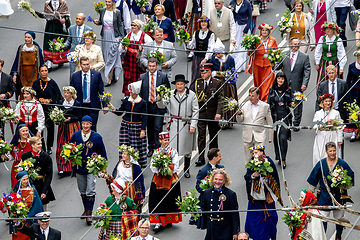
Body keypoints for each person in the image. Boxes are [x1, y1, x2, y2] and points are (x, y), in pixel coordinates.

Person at [307, 141, 354, 240]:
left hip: (338, 196)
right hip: (324, 195)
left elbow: (350, 175)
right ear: (326, 152)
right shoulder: (321, 163)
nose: (332, 153)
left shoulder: (342, 163)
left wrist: (344, 186)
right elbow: (313, 179)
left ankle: (338, 236)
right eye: (330, 151)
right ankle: (322, 236)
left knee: (339, 218)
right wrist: (309, 195)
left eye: (334, 151)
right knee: (323, 218)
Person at [157, 74, 199, 178]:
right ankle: (171, 170)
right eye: (177, 84)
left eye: (181, 84)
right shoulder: (170, 94)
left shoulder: (192, 95)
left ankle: (186, 169)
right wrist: (160, 99)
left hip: (186, 123)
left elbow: (196, 110)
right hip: (174, 123)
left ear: (185, 84)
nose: (179, 86)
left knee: (187, 148)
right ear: (175, 85)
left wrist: (193, 124)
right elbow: (162, 105)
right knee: (171, 148)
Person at [70, 115, 107, 225]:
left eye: (88, 124)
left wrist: (103, 167)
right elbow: (69, 148)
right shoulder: (76, 135)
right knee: (82, 190)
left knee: (90, 189)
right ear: (81, 124)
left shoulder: (97, 137)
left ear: (91, 125)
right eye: (84, 123)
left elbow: (103, 152)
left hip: (92, 167)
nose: (85, 126)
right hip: (79, 167)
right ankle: (86, 210)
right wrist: (71, 157)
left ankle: (89, 214)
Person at [244, 145, 283, 240]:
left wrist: (271, 193)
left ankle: (272, 236)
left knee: (270, 219)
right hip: (255, 199)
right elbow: (247, 176)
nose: (254, 155)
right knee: (254, 221)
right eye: (253, 153)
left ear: (262, 152)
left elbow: (275, 179)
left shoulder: (268, 162)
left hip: (267, 198)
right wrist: (253, 175)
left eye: (256, 152)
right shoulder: (251, 163)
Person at [107, 81, 148, 166]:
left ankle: (135, 166)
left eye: (131, 90)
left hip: (137, 127)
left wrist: (143, 130)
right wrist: (113, 108)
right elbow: (120, 112)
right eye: (129, 89)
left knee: (135, 148)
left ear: (136, 91)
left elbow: (144, 117)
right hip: (125, 126)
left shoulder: (142, 102)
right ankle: (124, 164)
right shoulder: (126, 100)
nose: (129, 91)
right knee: (124, 146)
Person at [149, 132, 182, 233]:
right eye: (164, 140)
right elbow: (152, 166)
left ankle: (168, 219)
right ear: (160, 141)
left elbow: (176, 165)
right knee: (158, 199)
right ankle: (159, 222)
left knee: (170, 199)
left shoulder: (173, 151)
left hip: (170, 178)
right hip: (159, 178)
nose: (166, 142)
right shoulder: (157, 152)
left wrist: (167, 168)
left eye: (167, 140)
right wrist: (159, 169)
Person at [275, 37, 311, 130]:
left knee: (297, 103)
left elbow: (307, 71)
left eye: (298, 43)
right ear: (290, 45)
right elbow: (277, 67)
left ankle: (296, 123)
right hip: (285, 84)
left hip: (297, 83)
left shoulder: (304, 56)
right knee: (284, 102)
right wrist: (273, 62)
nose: (297, 45)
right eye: (295, 43)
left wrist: (304, 83)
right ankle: (286, 120)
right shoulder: (284, 54)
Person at [193, 63, 223, 166]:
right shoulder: (197, 83)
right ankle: (201, 158)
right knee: (201, 136)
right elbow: (193, 97)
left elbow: (220, 99)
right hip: (201, 114)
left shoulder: (216, 83)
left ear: (209, 72)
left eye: (205, 72)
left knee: (213, 136)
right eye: (201, 72)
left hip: (212, 114)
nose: (202, 74)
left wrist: (218, 113)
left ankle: (212, 157)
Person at [139, 58, 170, 157]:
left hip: (158, 106)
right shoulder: (142, 77)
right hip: (147, 106)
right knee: (150, 128)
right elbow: (139, 92)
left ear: (157, 66)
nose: (151, 68)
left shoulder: (163, 76)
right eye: (150, 66)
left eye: (153, 66)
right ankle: (151, 147)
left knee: (158, 127)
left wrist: (162, 97)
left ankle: (158, 148)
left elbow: (168, 90)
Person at [29, 0, 71, 70]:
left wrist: (64, 18)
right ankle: (49, 62)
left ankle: (60, 59)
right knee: (49, 43)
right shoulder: (47, 3)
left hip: (59, 27)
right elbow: (45, 15)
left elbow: (66, 14)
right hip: (50, 27)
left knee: (60, 42)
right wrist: (34, 12)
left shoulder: (63, 3)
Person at [237, 87, 273, 164]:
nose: (250, 98)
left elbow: (270, 122)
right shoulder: (245, 105)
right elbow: (239, 120)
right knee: (248, 158)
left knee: (259, 158)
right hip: (247, 136)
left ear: (258, 96)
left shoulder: (265, 106)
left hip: (259, 136)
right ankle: (249, 174)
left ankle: (260, 173)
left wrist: (270, 137)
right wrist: (239, 114)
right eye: (249, 95)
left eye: (252, 96)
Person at [93, 0, 125, 87]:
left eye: (109, 2)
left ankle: (108, 78)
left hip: (114, 35)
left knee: (113, 55)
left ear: (113, 3)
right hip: (105, 35)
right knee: (106, 56)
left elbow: (119, 25)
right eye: (106, 1)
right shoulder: (102, 10)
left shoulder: (117, 12)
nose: (107, 3)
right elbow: (101, 22)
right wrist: (97, 22)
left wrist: (122, 36)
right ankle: (112, 73)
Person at [201, 168, 240, 240]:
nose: (217, 182)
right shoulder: (207, 193)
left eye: (220, 180)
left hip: (225, 229)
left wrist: (235, 232)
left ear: (224, 180)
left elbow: (234, 214)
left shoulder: (230, 194)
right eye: (216, 179)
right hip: (211, 228)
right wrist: (197, 212)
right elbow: (204, 209)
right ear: (212, 179)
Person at [32, 65, 62, 154]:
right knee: (40, 128)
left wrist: (50, 101)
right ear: (39, 72)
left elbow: (57, 96)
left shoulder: (52, 83)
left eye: (45, 70)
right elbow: (34, 94)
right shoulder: (36, 83)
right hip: (40, 109)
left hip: (50, 109)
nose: (44, 72)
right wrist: (41, 100)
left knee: (50, 128)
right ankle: (41, 146)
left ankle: (49, 146)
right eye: (42, 71)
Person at [70, 56, 106, 131]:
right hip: (80, 107)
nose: (86, 67)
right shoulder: (75, 76)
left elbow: (101, 91)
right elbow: (71, 92)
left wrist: (105, 105)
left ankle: (92, 142)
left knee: (92, 128)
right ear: (80, 65)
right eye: (84, 65)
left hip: (93, 106)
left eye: (87, 64)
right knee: (82, 128)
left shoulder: (97, 75)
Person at [121, 19, 153, 96]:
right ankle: (127, 94)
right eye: (132, 25)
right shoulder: (128, 35)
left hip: (139, 61)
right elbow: (121, 47)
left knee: (139, 78)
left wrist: (143, 47)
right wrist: (125, 48)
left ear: (138, 26)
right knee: (127, 77)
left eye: (134, 25)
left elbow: (151, 45)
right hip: (129, 61)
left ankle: (139, 94)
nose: (132, 27)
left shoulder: (144, 36)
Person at [21, 137, 55, 207]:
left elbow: (49, 175)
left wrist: (44, 191)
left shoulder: (46, 157)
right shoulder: (25, 156)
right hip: (29, 185)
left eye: (41, 144)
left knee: (43, 210)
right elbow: (21, 172)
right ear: (32, 145)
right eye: (38, 144)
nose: (40, 146)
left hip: (41, 185)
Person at [209, 38, 237, 124]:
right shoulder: (213, 59)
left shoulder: (230, 59)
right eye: (216, 54)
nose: (218, 55)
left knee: (227, 99)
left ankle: (228, 119)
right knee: (218, 100)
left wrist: (228, 75)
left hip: (227, 84)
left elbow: (233, 70)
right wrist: (216, 74)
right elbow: (210, 70)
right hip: (216, 83)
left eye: (219, 53)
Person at [194, 148, 224, 228]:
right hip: (208, 200)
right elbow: (198, 187)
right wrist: (208, 190)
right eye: (219, 156)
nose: (221, 158)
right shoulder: (203, 171)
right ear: (214, 158)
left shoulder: (221, 168)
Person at [267, 72, 292, 168]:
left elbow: (290, 102)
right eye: (278, 78)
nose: (280, 80)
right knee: (276, 138)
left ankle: (283, 159)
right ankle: (278, 156)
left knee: (283, 138)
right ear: (276, 80)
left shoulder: (288, 91)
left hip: (285, 117)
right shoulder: (272, 90)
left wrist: (294, 103)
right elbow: (268, 104)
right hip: (274, 118)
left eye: (282, 78)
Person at [55, 86, 81, 178]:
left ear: (71, 94)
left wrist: (71, 119)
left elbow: (79, 116)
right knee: (61, 145)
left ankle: (73, 166)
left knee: (72, 145)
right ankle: (62, 167)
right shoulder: (61, 103)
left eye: (67, 93)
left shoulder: (76, 103)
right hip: (63, 127)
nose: (65, 94)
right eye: (65, 92)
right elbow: (57, 113)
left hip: (72, 126)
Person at [248, 23, 277, 102]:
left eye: (266, 30)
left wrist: (274, 61)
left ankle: (266, 99)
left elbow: (276, 52)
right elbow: (249, 53)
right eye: (263, 30)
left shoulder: (272, 40)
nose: (264, 32)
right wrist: (249, 48)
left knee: (268, 83)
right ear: (260, 31)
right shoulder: (255, 39)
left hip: (268, 65)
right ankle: (259, 98)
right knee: (259, 83)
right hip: (257, 65)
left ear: (269, 31)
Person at [10, 31, 44, 100]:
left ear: (32, 39)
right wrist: (15, 74)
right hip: (23, 74)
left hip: (34, 74)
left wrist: (42, 74)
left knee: (33, 90)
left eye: (28, 37)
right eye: (25, 37)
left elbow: (41, 63)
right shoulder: (21, 48)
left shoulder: (37, 49)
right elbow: (17, 62)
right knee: (23, 90)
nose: (26, 39)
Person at [11, 171, 44, 240]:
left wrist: (28, 216)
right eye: (24, 179)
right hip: (19, 221)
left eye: (27, 179)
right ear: (20, 181)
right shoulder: (15, 192)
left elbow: (37, 205)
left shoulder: (33, 191)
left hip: (29, 221)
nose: (26, 181)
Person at [111, 145, 145, 211]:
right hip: (121, 189)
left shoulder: (135, 167)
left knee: (131, 206)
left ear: (130, 156)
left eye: (124, 154)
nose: (122, 155)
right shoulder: (119, 164)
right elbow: (114, 177)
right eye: (122, 153)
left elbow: (140, 181)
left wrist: (142, 195)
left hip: (132, 189)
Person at [313, 94, 343, 165]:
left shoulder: (336, 113)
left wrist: (339, 140)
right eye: (326, 101)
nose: (328, 103)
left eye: (329, 101)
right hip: (321, 136)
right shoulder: (318, 113)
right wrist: (318, 126)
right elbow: (314, 125)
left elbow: (339, 127)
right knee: (320, 154)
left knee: (333, 154)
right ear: (322, 102)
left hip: (332, 136)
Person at [314, 22, 347, 87]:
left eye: (330, 29)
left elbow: (342, 54)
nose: (328, 30)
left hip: (334, 62)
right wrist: (317, 63)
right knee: (322, 80)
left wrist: (341, 67)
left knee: (335, 80)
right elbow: (318, 51)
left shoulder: (338, 40)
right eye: (326, 29)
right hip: (324, 62)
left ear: (334, 30)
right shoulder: (322, 39)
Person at [187, 16, 215, 83]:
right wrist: (186, 42)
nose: (203, 23)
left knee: (204, 75)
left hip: (206, 59)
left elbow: (211, 48)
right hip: (196, 58)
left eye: (205, 22)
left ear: (208, 23)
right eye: (202, 22)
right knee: (195, 75)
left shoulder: (211, 34)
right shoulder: (196, 33)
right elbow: (192, 45)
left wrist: (205, 58)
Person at [228, 0, 252, 72]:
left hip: (243, 27)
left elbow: (250, 17)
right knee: (233, 46)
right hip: (234, 26)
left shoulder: (247, 3)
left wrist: (246, 29)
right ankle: (233, 65)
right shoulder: (232, 3)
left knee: (241, 47)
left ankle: (240, 66)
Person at [346, 49, 360, 141]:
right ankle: (354, 132)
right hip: (354, 91)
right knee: (354, 111)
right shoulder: (352, 66)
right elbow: (348, 80)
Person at [0, 58, 15, 139]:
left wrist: (5, 95)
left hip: (2, 106)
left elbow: (12, 91)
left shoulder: (7, 77)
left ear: (2, 67)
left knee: (1, 128)